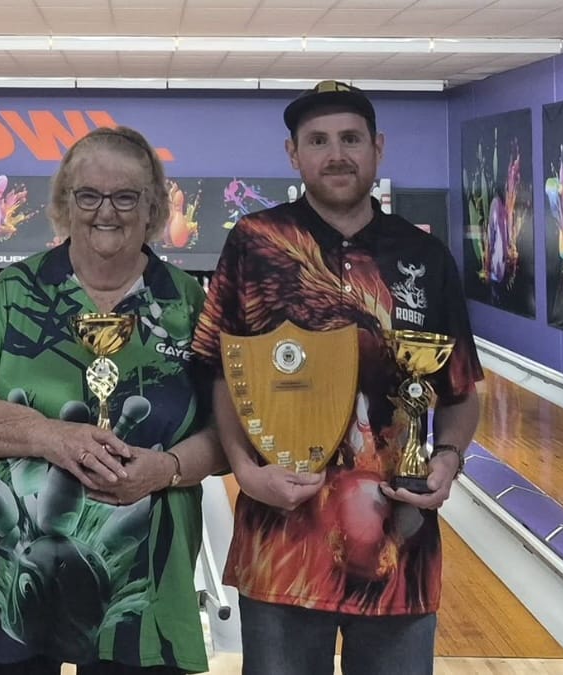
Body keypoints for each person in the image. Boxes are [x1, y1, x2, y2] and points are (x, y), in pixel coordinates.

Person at [191, 80, 484, 675]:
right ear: (293, 154)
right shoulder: (255, 243)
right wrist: (245, 471)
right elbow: (223, 371)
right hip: (281, 544)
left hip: (400, 546)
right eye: (318, 140)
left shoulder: (424, 257)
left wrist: (447, 459)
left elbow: (459, 387)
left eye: (351, 139)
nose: (336, 154)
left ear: (377, 148)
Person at [0, 126, 225, 675]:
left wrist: (166, 468)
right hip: (16, 574)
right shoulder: (15, 291)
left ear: (153, 206)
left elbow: (224, 435)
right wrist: (50, 436)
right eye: (88, 195)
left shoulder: (187, 302)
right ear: (66, 202)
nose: (105, 211)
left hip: (143, 581)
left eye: (125, 197)